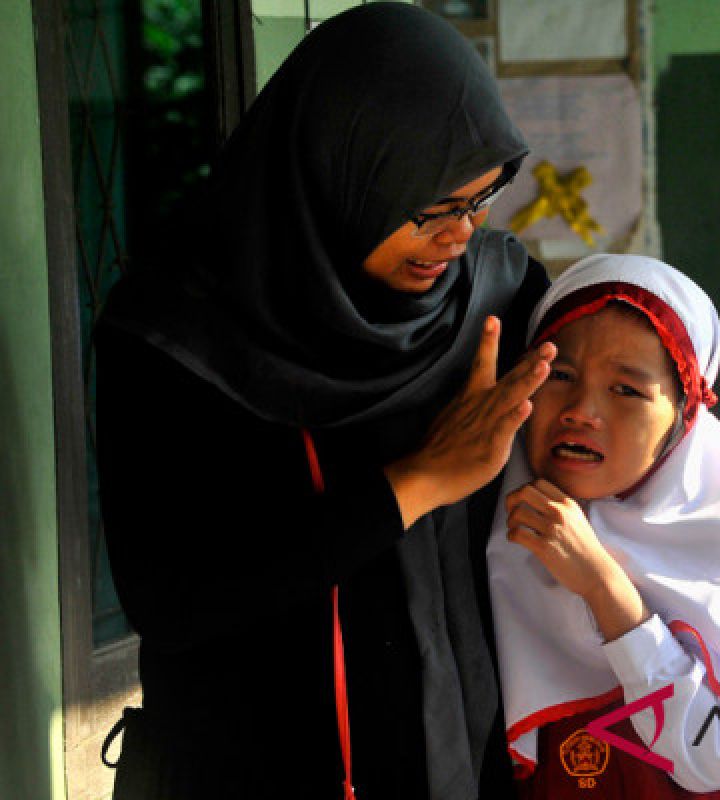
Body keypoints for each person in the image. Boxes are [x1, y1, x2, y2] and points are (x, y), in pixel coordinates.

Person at [94, 5, 553, 799]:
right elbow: (171, 601)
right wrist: (417, 484)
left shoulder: (495, 296)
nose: (458, 236)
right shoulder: (178, 340)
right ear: (341, 168)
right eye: (431, 207)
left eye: (479, 201)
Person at [487, 255, 720, 798]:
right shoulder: (488, 524)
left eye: (627, 390)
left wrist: (603, 585)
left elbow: (713, 760)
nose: (581, 410)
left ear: (684, 414)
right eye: (562, 375)